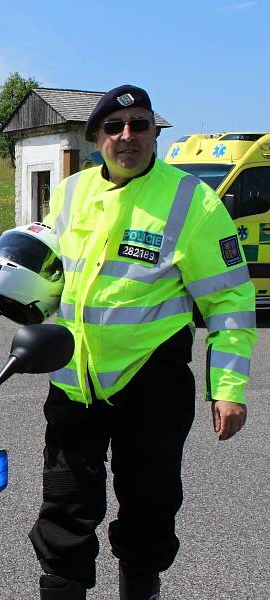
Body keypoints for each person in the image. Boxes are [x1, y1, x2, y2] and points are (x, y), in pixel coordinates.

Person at [23, 85, 257, 599]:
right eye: (114, 127)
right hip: (73, 380)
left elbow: (229, 302)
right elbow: (48, 274)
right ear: (96, 137)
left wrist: (230, 387)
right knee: (64, 509)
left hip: (151, 383)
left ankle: (141, 588)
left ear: (155, 134)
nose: (127, 136)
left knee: (149, 506)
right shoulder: (68, 193)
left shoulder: (191, 199)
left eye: (140, 125)